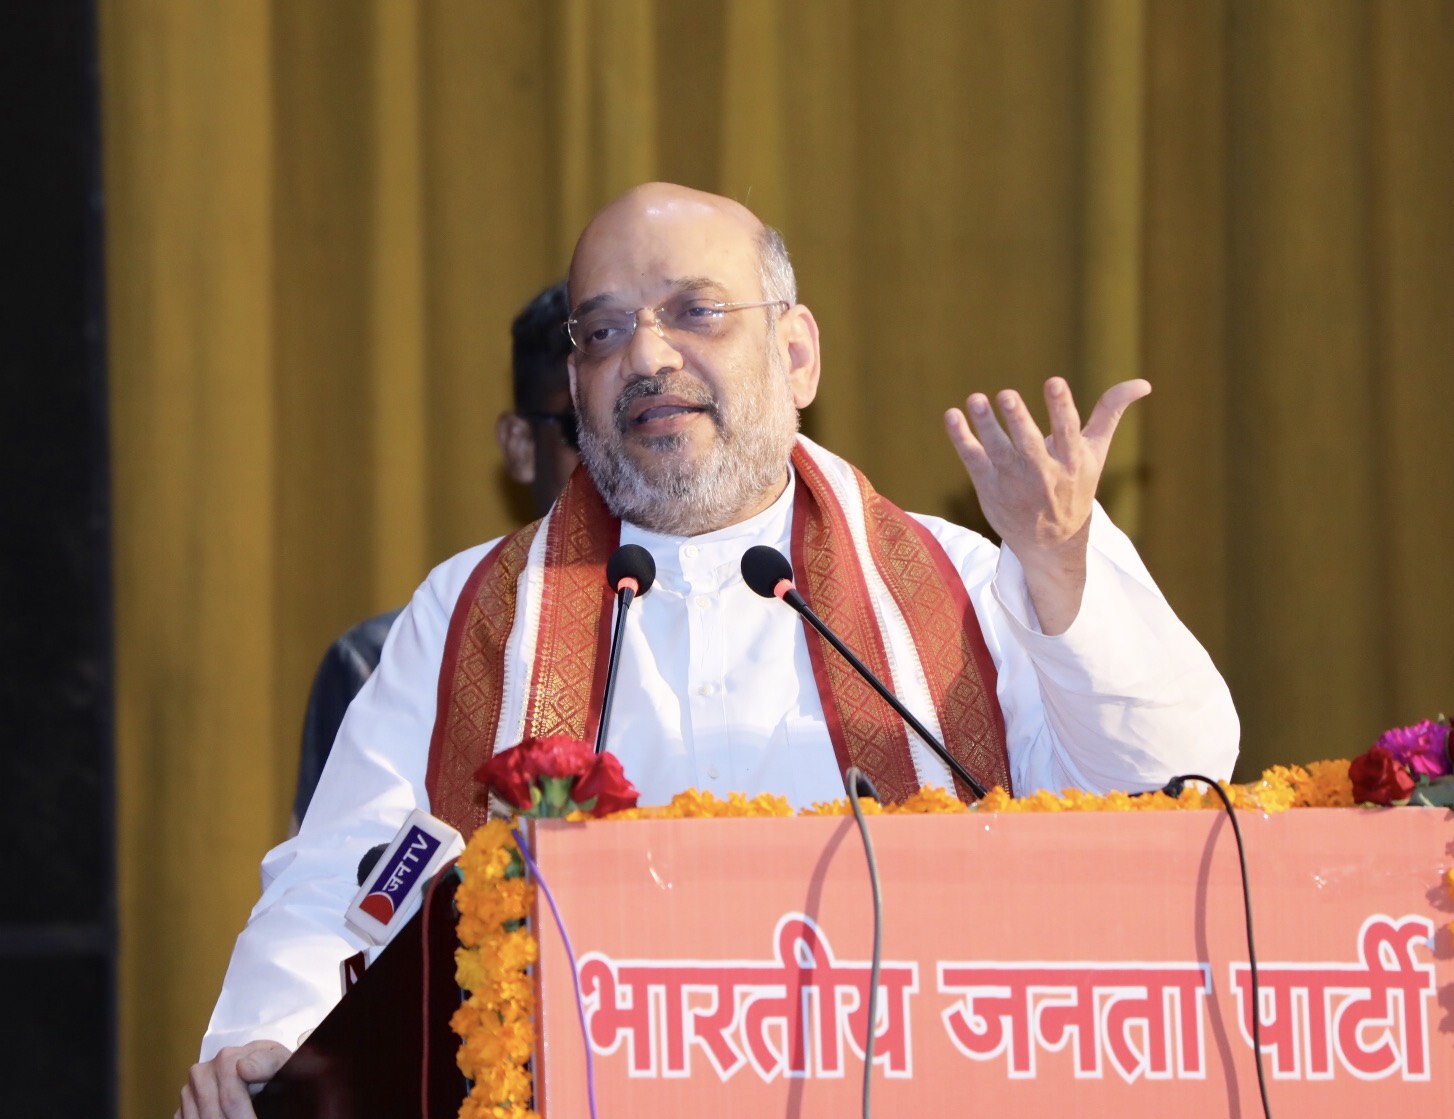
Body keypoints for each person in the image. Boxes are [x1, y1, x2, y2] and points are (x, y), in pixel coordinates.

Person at [178, 183, 1238, 1118]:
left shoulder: (961, 585)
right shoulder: (474, 619)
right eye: (600, 333)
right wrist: (269, 1040)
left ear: (796, 352)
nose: (644, 358)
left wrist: (1057, 567)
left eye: (694, 311)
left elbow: (1170, 784)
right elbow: (357, 880)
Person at [289, 281, 578, 831]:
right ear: (519, 446)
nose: (607, 456)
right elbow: (351, 900)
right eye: (577, 428)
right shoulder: (382, 660)